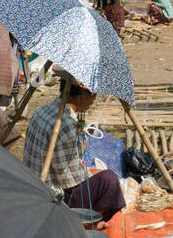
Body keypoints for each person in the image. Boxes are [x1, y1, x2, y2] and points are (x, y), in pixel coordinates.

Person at [23, 78, 126, 219]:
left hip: (33, 184)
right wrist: (91, 174)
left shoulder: (42, 110)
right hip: (53, 197)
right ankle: (90, 223)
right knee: (109, 179)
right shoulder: (65, 125)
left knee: (97, 174)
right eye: (93, 95)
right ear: (82, 95)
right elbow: (69, 182)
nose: (93, 100)